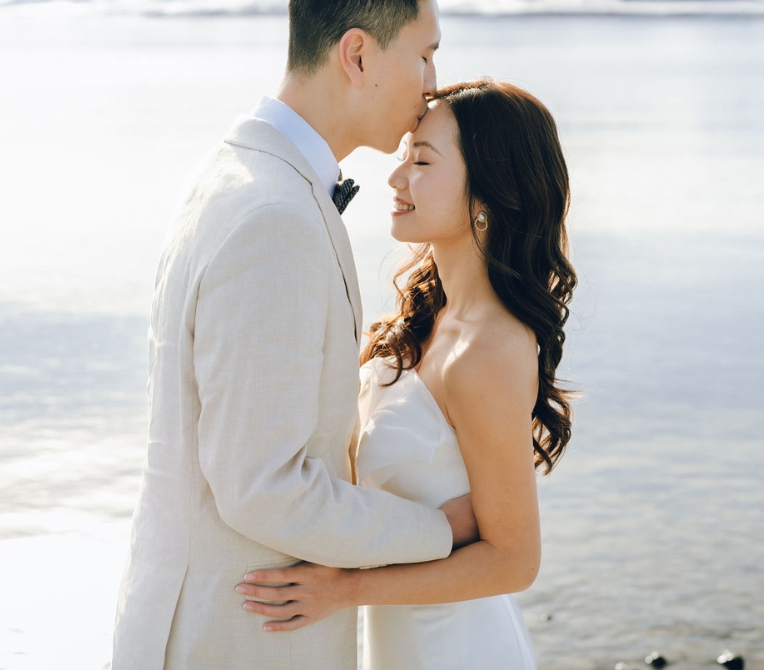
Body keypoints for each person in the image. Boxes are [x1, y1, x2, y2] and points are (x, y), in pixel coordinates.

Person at [111, 0, 481, 670]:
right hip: (234, 636)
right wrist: (436, 531)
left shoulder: (237, 173)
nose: (433, 81)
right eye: (424, 53)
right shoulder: (273, 219)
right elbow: (263, 486)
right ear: (357, 55)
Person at [237, 79, 577, 669]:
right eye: (402, 159)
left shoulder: (489, 349)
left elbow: (515, 561)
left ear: (486, 195)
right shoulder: (428, 318)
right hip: (401, 642)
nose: (395, 179)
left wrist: (344, 587)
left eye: (421, 161)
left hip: (457, 648)